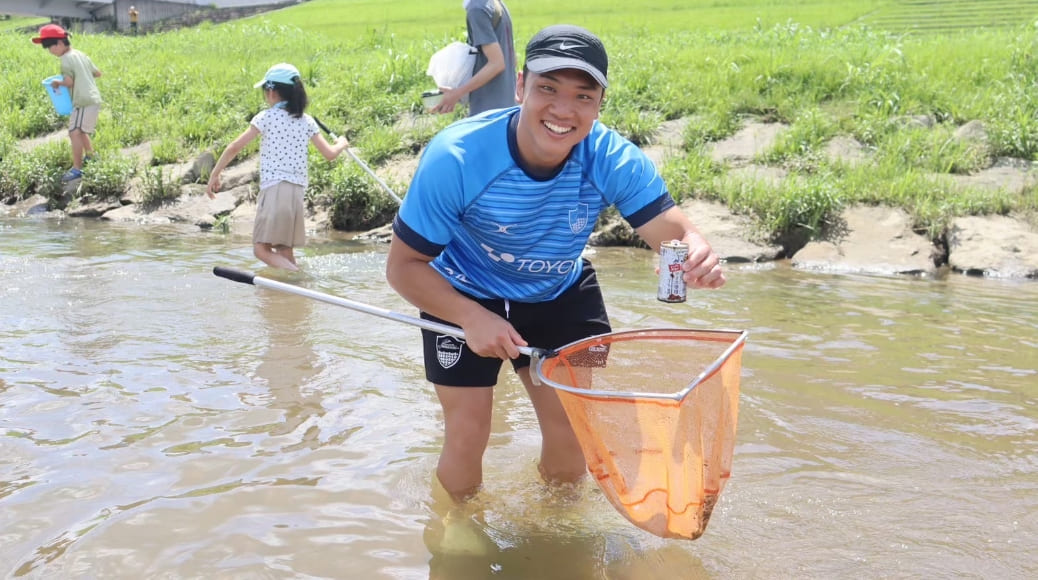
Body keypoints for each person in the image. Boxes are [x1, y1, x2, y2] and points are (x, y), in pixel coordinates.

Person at [386, 24, 726, 502]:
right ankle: (459, 534)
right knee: (468, 433)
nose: (563, 110)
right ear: (521, 85)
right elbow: (403, 268)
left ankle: (558, 526)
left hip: (558, 293)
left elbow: (676, 234)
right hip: (462, 292)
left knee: (570, 434)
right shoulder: (456, 156)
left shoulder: (613, 158)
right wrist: (469, 316)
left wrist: (695, 253)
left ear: (600, 103)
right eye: (548, 88)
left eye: (583, 96)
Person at [206, 63, 349, 271]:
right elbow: (329, 154)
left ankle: (298, 277)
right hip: (296, 191)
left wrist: (215, 173)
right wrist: (342, 144)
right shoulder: (306, 121)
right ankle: (291, 297)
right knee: (284, 250)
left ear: (272, 91)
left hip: (275, 188)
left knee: (260, 250)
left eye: (265, 90)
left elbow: (234, 147)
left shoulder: (266, 117)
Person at [32, 24, 102, 183]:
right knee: (81, 131)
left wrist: (58, 83)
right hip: (93, 98)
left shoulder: (65, 60)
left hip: (82, 100)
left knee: (74, 132)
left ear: (60, 43)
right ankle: (91, 157)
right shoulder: (81, 54)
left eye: (51, 47)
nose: (51, 51)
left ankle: (77, 169)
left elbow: (69, 82)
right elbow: (97, 73)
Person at [429, 0, 516, 116]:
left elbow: (497, 64)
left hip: (488, 112)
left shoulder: (477, 9)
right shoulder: (495, 3)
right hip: (508, 105)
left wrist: (456, 93)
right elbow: (512, 59)